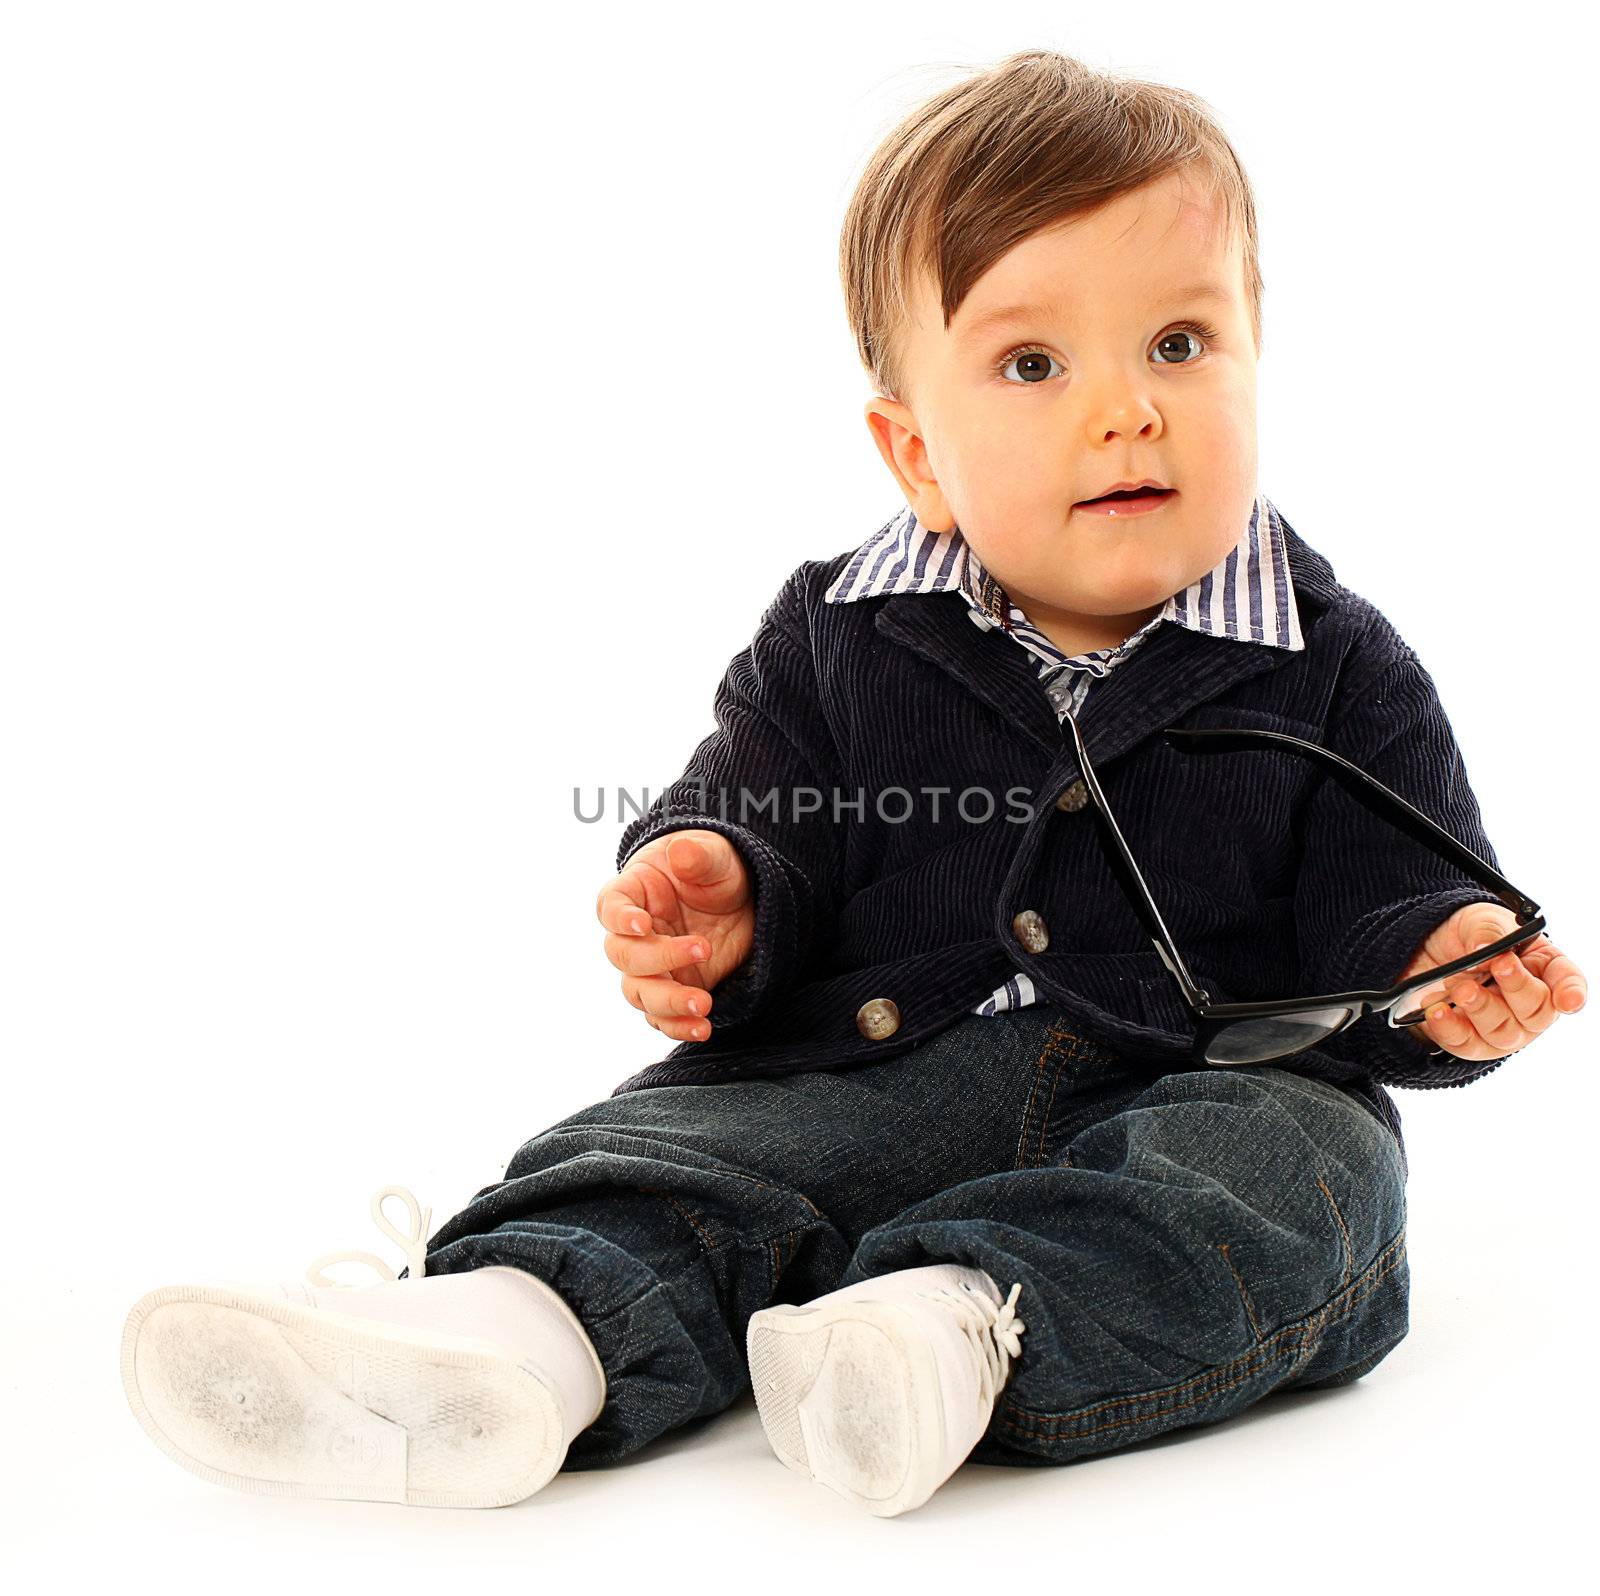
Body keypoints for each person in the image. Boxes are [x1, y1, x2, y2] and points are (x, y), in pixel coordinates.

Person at [120, 48, 1587, 1518]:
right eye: (1032, 364)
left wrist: (1441, 962)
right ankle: (505, 1338)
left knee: (1304, 1180)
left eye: (1182, 345)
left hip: (1198, 1090)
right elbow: (760, 810)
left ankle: (950, 1328)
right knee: (682, 1145)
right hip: (865, 1069)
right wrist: (721, 891)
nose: (1126, 410)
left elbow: (1400, 880)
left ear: (1259, 353)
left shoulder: (1332, 658)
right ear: (916, 455)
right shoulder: (839, 635)